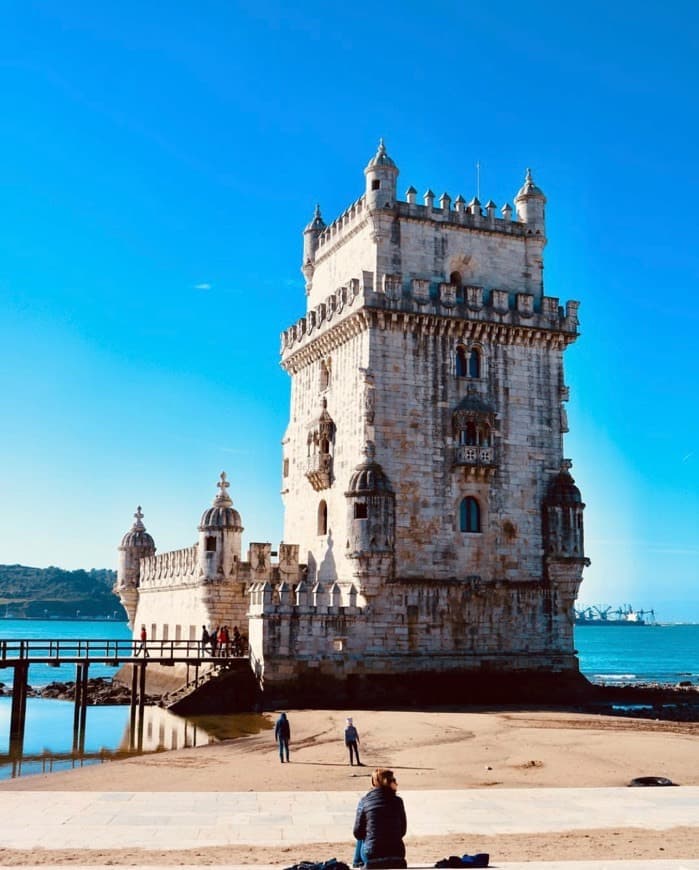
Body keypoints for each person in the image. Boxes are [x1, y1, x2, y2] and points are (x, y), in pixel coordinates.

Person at [352, 768, 406, 869]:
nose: (397, 783)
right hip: (397, 853)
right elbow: (403, 831)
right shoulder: (398, 801)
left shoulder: (364, 801)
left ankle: (357, 863)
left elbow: (357, 833)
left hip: (372, 855)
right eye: (394, 780)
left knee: (363, 833)